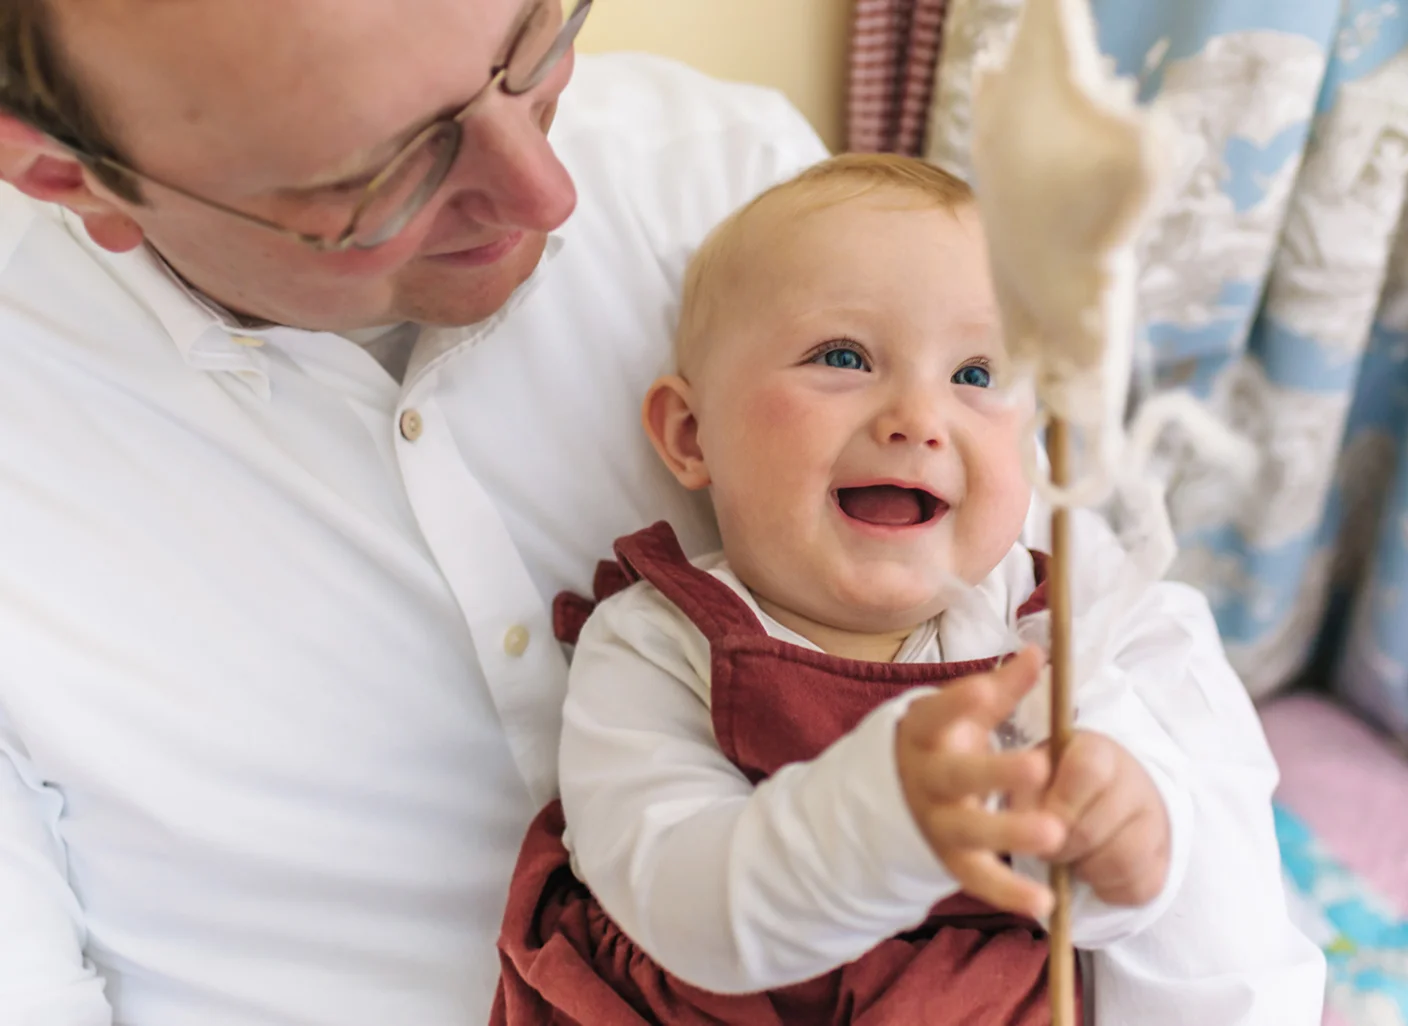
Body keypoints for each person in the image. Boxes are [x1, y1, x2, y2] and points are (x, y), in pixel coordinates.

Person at [0, 2, 833, 1024]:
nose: (547, 191)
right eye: (380, 169)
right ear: (65, 173)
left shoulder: (731, 180)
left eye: (531, 42)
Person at [496, 155, 1328, 1024]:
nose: (919, 419)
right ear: (691, 434)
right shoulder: (655, 646)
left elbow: (1142, 887)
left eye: (976, 376)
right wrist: (883, 821)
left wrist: (1121, 841)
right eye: (844, 357)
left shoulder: (1031, 632)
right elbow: (679, 901)